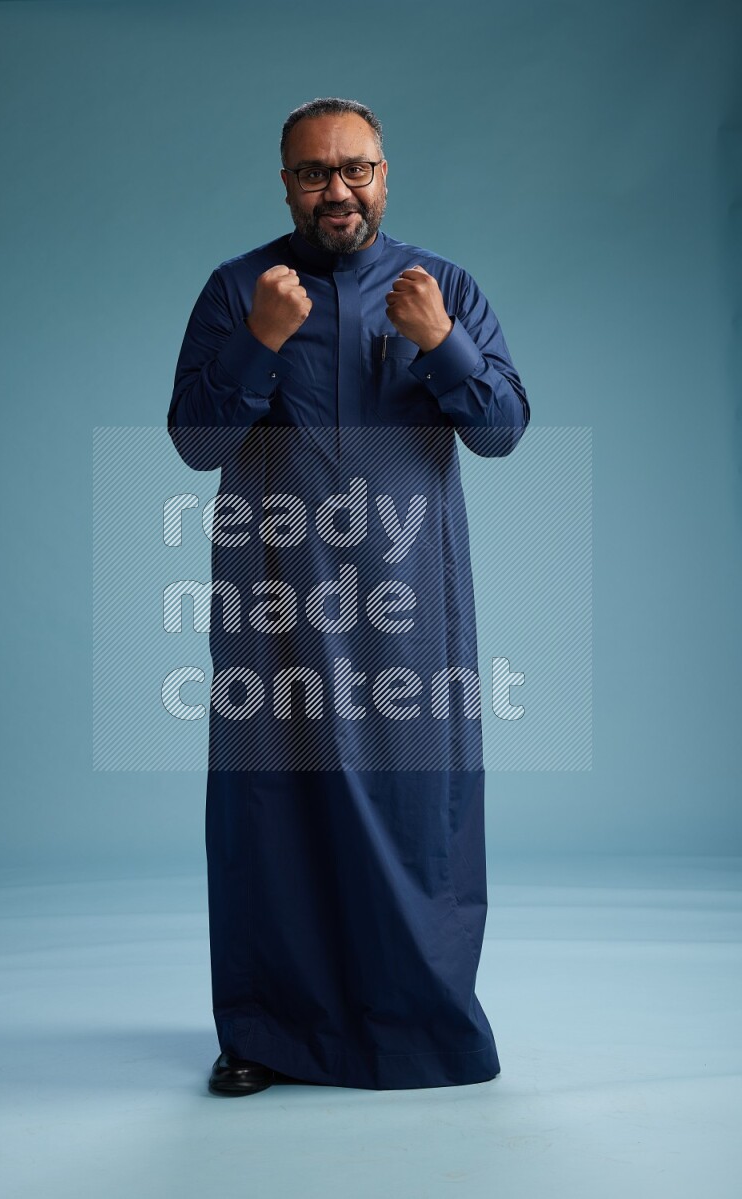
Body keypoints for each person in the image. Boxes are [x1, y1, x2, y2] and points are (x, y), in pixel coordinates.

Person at [167, 97, 530, 1096]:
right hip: (275, 605)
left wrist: (442, 341)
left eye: (354, 168)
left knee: (419, 808)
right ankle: (267, 1032)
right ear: (285, 184)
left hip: (409, 606)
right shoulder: (240, 289)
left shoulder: (442, 286)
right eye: (314, 172)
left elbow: (501, 429)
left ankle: (421, 1025)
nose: (337, 189)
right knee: (270, 811)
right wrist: (258, 340)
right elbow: (195, 441)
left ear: (383, 174)